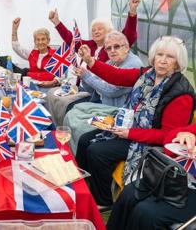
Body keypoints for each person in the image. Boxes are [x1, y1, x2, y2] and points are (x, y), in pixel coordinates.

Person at [75, 36, 195, 208]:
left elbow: (167, 136)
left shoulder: (180, 94)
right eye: (159, 54)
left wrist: (130, 133)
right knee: (85, 139)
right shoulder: (147, 74)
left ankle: (103, 201)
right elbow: (116, 76)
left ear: (178, 62)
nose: (162, 60)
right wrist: (90, 60)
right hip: (129, 127)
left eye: (170, 57)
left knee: (97, 151)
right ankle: (83, 184)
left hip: (148, 141)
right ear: (153, 56)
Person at [107, 125, 196, 230]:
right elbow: (168, 143)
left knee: (147, 212)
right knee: (131, 192)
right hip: (182, 178)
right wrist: (183, 134)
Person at [48, 0, 140, 63]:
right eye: (93, 30)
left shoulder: (115, 47)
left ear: (110, 31)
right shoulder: (88, 45)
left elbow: (129, 34)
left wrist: (132, 11)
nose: (96, 32)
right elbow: (71, 40)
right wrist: (57, 22)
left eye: (100, 29)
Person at [73, 31, 143, 107]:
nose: (112, 51)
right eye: (109, 48)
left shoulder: (134, 64)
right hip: (103, 105)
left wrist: (86, 76)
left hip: (121, 113)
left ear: (126, 48)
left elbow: (111, 91)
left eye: (116, 46)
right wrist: (82, 75)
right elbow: (92, 89)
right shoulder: (110, 62)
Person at [11, 18, 59, 87]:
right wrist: (14, 30)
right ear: (35, 42)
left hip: (49, 88)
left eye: (43, 39)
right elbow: (16, 47)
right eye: (37, 40)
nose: (40, 42)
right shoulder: (32, 54)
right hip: (32, 87)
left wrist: (54, 82)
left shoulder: (55, 55)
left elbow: (61, 75)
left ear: (48, 40)